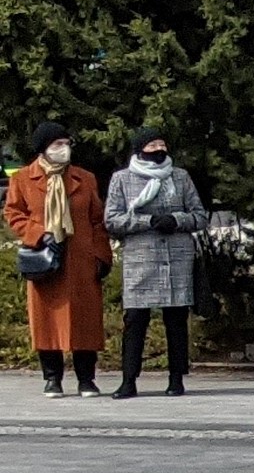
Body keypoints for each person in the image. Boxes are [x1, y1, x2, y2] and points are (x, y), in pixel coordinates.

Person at [103, 129, 208, 399]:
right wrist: (146, 221)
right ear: (140, 150)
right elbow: (112, 220)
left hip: (177, 259)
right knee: (135, 320)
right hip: (141, 260)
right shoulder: (122, 179)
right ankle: (128, 380)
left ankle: (176, 379)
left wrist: (177, 220)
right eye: (152, 145)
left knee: (176, 320)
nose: (159, 149)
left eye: (162, 144)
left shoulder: (180, 176)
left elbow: (199, 215)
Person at [12, 122, 108, 395]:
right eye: (57, 145)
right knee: (47, 322)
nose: (64, 149)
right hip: (46, 259)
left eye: (67, 144)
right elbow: (14, 213)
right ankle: (52, 377)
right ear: (43, 149)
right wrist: (38, 234)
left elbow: (97, 220)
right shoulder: (23, 178)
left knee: (85, 321)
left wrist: (101, 255)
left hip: (81, 260)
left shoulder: (84, 178)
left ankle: (86, 378)